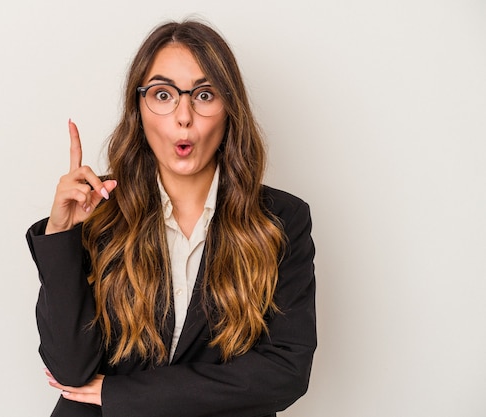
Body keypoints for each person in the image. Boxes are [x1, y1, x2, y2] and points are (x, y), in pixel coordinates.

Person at [26, 19, 316, 417]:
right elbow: (71, 370)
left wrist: (127, 394)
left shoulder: (281, 220)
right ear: (139, 110)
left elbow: (285, 372)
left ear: (230, 108)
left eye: (204, 94)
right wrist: (62, 233)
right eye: (163, 95)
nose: (184, 116)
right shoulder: (99, 209)